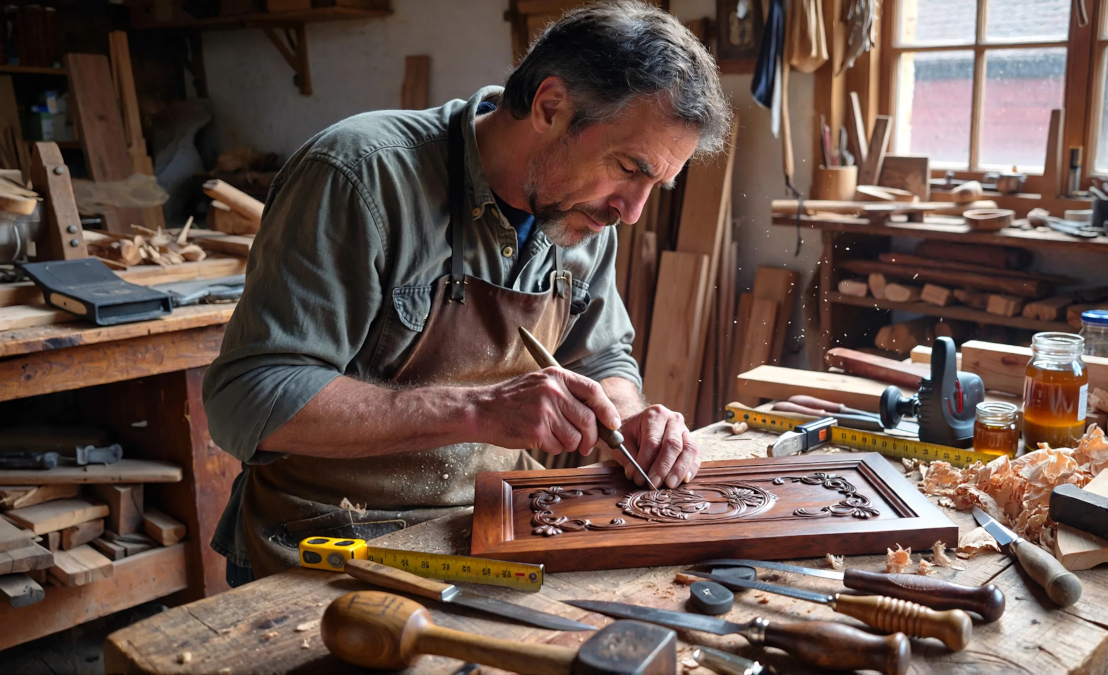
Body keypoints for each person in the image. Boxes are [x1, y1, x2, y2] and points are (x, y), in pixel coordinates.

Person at [202, 0, 732, 581]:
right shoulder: (361, 175)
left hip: (492, 523)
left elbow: (601, 352)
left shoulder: (581, 215)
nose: (632, 212)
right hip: (326, 544)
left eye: (657, 183)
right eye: (630, 167)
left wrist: (630, 420)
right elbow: (248, 398)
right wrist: (476, 410)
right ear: (550, 106)